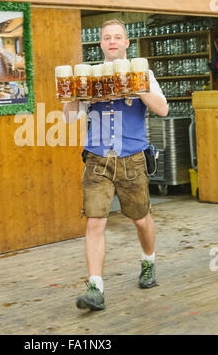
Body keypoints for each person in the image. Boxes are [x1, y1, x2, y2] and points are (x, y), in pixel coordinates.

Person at [63, 19, 168, 311]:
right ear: (100, 44)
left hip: (133, 158)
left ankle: (148, 261)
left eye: (117, 37)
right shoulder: (89, 75)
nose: (112, 41)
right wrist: (74, 96)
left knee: (140, 218)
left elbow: (162, 108)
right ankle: (95, 287)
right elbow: (69, 118)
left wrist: (138, 88)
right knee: (95, 220)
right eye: (106, 37)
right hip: (97, 159)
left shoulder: (142, 72)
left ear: (126, 43)